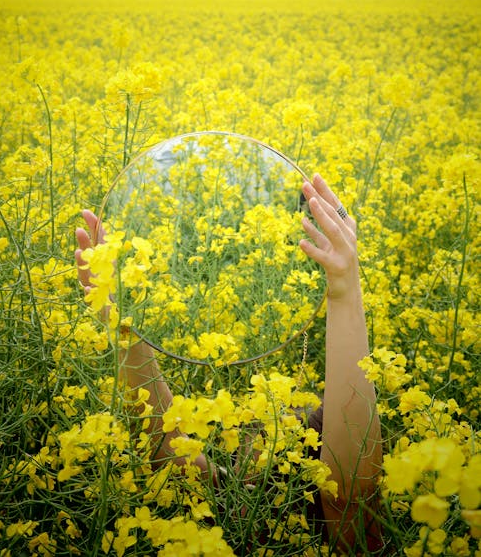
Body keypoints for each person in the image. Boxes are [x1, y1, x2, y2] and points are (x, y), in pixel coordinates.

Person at [75, 173, 382, 552]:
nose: (256, 424)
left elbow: (349, 489)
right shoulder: (233, 502)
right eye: (245, 446)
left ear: (307, 470)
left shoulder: (347, 534)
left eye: (280, 431)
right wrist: (125, 329)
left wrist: (345, 289)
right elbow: (170, 452)